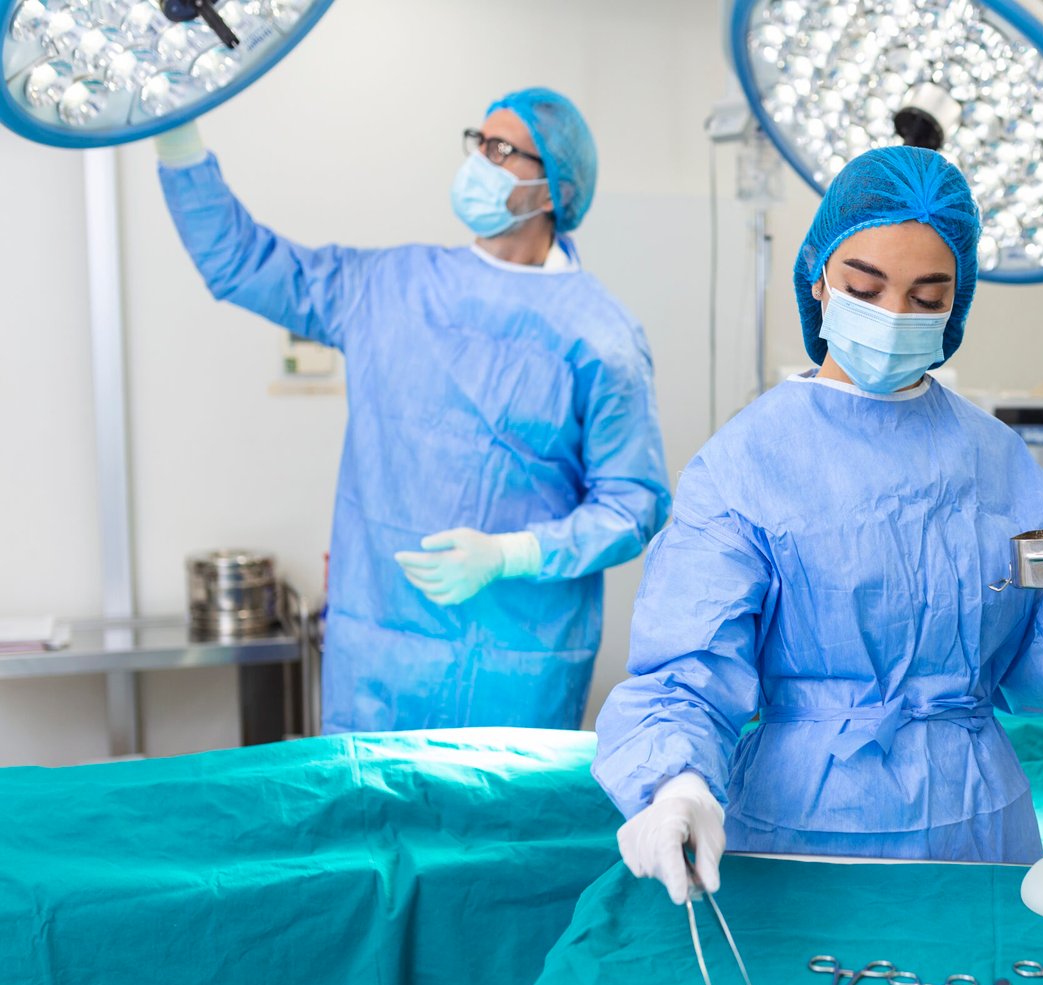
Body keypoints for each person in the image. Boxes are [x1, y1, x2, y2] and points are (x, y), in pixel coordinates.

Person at [591, 147, 1043, 903]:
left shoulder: (998, 459)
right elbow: (687, 673)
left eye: (926, 297)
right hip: (805, 834)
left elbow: (1030, 685)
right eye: (865, 288)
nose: (894, 316)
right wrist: (674, 783)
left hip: (978, 823)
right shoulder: (747, 462)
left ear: (956, 307)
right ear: (819, 279)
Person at [154, 89, 670, 732]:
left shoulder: (600, 336)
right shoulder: (387, 288)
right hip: (376, 669)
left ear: (552, 190)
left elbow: (634, 504)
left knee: (496, 831)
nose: (480, 161)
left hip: (516, 673)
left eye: (502, 150)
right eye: (477, 143)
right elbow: (241, 261)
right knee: (370, 823)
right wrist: (173, 133)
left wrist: (512, 553)